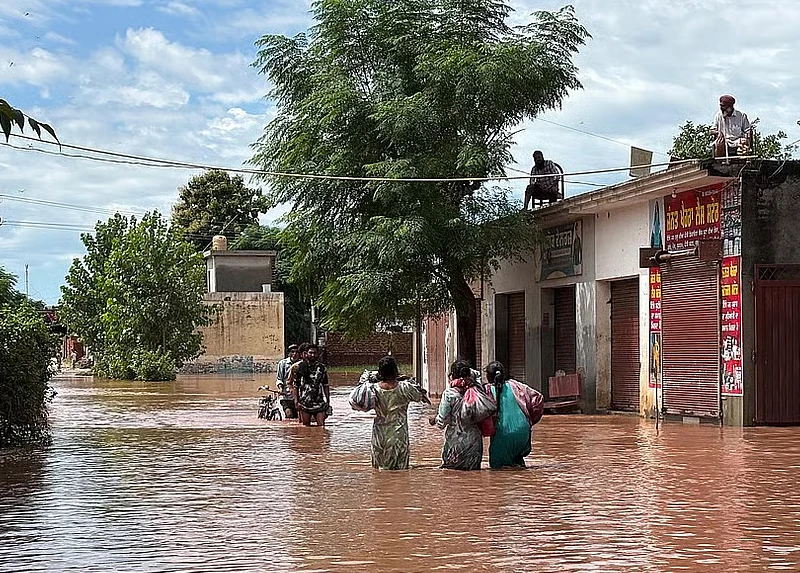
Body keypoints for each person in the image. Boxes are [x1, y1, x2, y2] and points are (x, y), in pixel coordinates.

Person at [349, 355, 430, 470]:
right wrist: (405, 378)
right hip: (399, 435)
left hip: (379, 435)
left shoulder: (373, 389)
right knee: (401, 471)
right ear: (395, 370)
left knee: (379, 471)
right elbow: (420, 396)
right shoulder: (405, 387)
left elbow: (359, 403)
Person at [429, 360, 489, 471]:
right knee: (473, 481)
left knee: (452, 480)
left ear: (453, 375)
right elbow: (478, 375)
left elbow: (442, 422)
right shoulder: (478, 390)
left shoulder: (449, 394)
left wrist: (434, 419)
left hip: (455, 445)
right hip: (475, 445)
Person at [484, 361, 544, 469]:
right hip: (523, 433)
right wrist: (530, 420)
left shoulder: (486, 391)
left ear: (488, 376)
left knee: (498, 472)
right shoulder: (517, 386)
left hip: (503, 435)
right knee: (518, 465)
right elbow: (538, 399)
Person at [293, 343, 331, 427]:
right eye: (310, 353)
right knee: (306, 427)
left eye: (315, 353)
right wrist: (296, 401)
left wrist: (328, 401)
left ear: (318, 354)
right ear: (306, 353)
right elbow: (296, 386)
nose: (313, 355)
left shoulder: (322, 368)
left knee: (321, 427)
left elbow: (326, 385)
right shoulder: (300, 367)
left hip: (319, 402)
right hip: (305, 402)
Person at [276, 344, 299, 419]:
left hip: (299, 395)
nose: (294, 354)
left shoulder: (301, 364)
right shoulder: (282, 363)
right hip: (286, 395)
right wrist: (280, 388)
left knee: (299, 417)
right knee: (289, 414)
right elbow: (279, 378)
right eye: (292, 352)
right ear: (289, 353)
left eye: (296, 352)